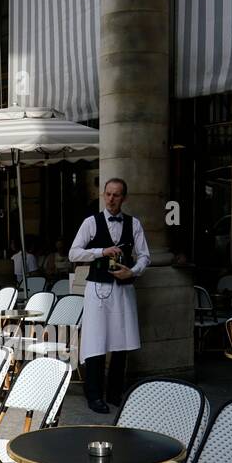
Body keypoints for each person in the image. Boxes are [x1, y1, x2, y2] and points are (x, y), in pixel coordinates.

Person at [69, 176, 151, 413]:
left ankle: (115, 393)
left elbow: (145, 255)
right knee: (95, 341)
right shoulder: (91, 223)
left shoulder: (133, 223)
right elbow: (74, 253)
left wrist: (133, 271)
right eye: (108, 194)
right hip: (97, 289)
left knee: (121, 341)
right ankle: (93, 395)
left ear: (123, 197)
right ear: (103, 195)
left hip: (124, 290)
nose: (112, 199)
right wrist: (101, 251)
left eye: (116, 195)